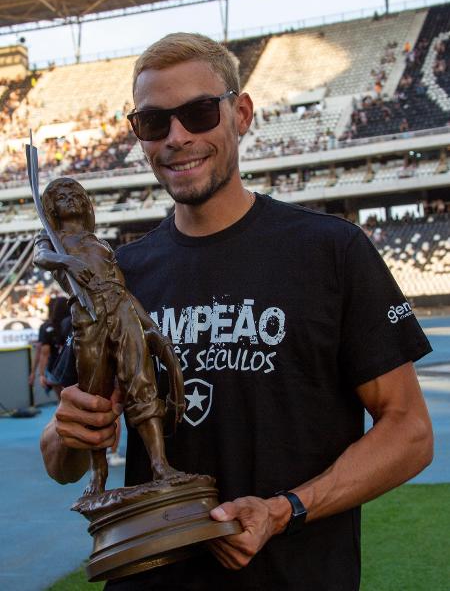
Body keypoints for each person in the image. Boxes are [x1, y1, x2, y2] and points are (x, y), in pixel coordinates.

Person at [40, 33, 433, 590]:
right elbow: (63, 463)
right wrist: (68, 434)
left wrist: (287, 508)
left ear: (241, 113)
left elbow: (410, 431)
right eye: (153, 123)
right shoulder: (118, 271)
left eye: (199, 113)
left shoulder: (332, 251)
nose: (177, 138)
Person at [35, 177, 184, 496]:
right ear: (52, 206)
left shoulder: (100, 243)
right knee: (96, 394)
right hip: (88, 316)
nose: (70, 199)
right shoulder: (53, 239)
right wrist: (67, 261)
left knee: (141, 383)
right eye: (62, 196)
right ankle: (98, 477)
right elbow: (41, 258)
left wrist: (148, 325)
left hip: (120, 307)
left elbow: (121, 289)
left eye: (75, 194)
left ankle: (160, 466)